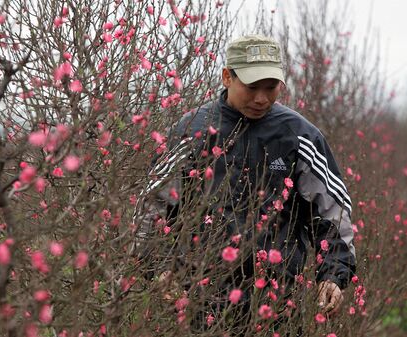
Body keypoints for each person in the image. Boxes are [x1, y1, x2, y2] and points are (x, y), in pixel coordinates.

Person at [132, 35, 355, 333]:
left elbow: (332, 212)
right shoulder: (191, 132)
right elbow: (153, 206)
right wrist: (158, 269)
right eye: (252, 87)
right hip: (197, 304)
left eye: (271, 87)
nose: (262, 98)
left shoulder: (300, 136)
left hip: (279, 305)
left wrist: (333, 274)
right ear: (227, 77)